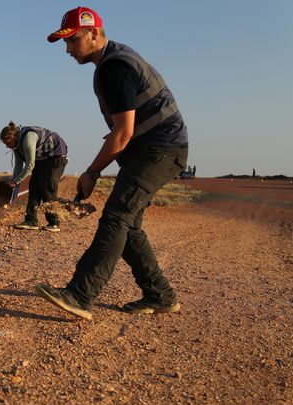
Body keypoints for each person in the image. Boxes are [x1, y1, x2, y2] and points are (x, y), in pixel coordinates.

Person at [36, 7, 189, 319]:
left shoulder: (114, 67)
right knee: (128, 224)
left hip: (160, 149)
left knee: (117, 216)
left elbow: (124, 132)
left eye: (73, 40)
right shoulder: (113, 61)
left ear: (94, 33)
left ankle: (80, 295)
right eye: (64, 42)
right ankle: (160, 295)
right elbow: (121, 132)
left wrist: (92, 172)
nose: (68, 49)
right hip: (154, 149)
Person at [0, 121, 69, 232]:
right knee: (34, 187)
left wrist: (15, 181)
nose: (7, 146)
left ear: (14, 138)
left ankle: (54, 223)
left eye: (8, 143)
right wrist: (14, 188)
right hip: (42, 158)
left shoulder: (27, 139)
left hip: (56, 156)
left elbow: (30, 164)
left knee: (47, 188)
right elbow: (18, 168)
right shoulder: (16, 146)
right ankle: (31, 220)